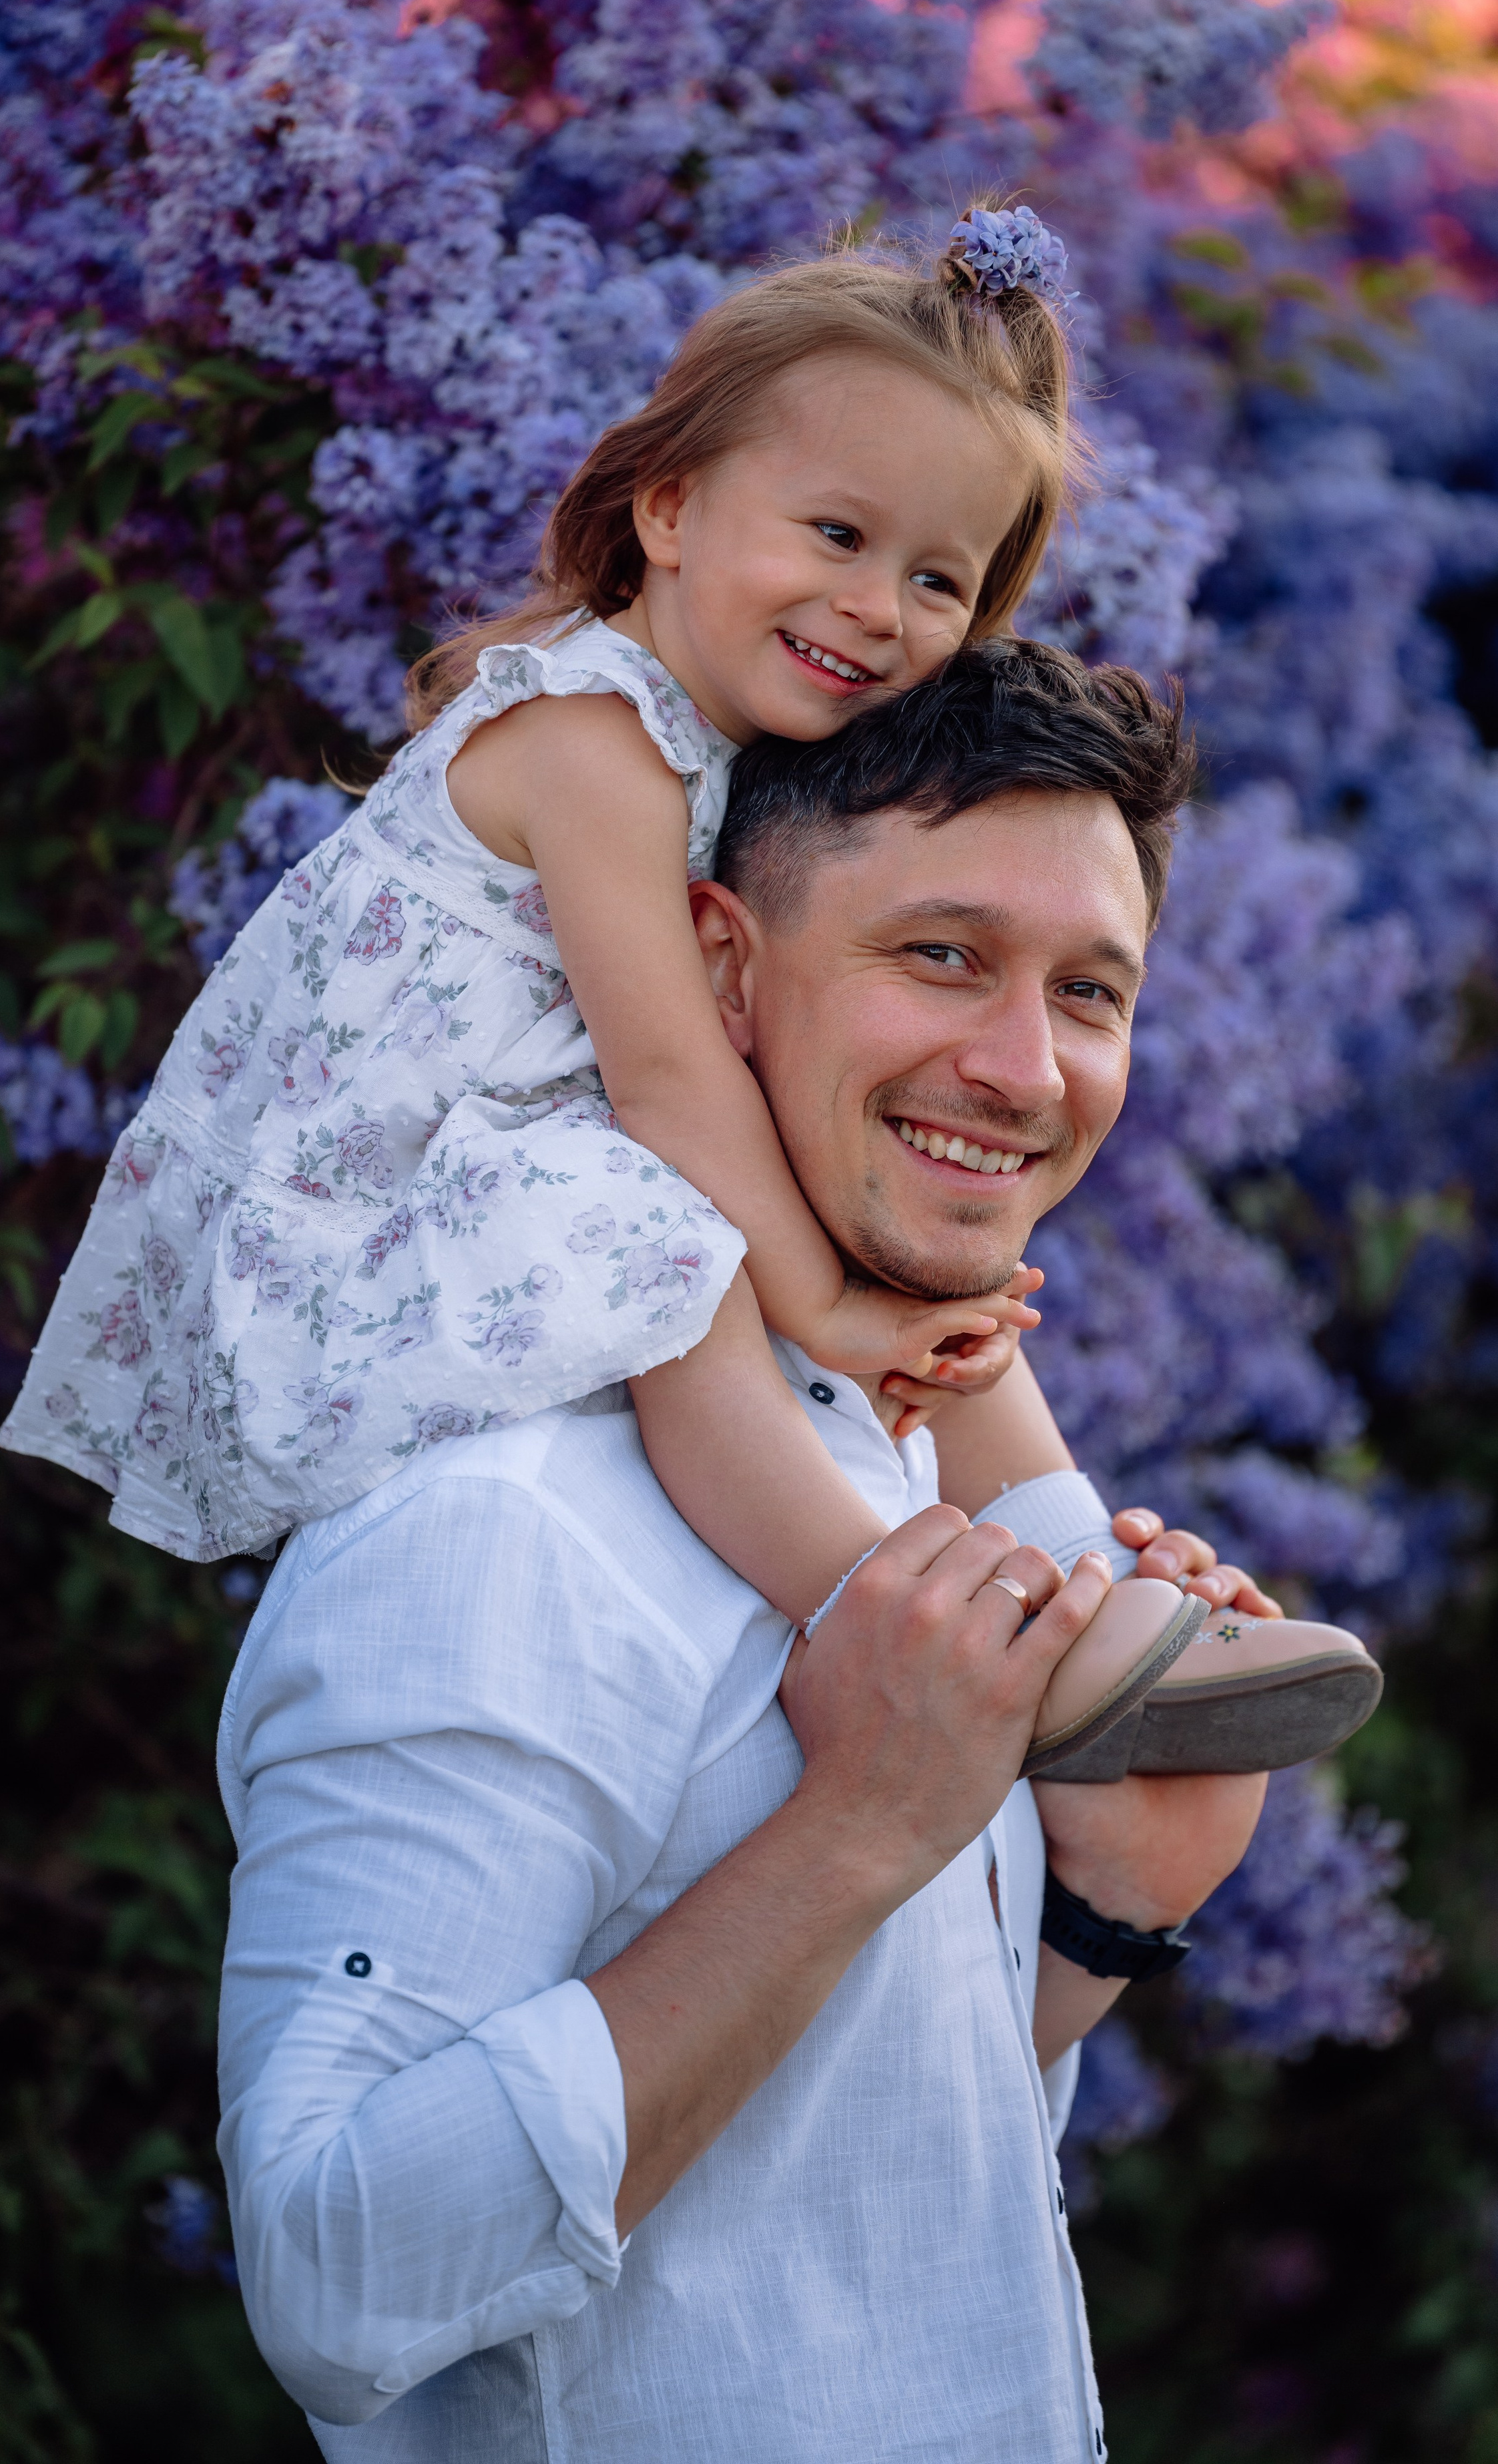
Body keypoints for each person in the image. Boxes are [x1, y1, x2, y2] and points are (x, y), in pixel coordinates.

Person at [213, 639, 1314, 2461]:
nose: (1028, 1067)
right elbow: (335, 2279)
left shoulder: (889, 1483)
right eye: (942, 956)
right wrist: (862, 1826)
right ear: (718, 963)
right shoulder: (500, 1539)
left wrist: (1113, 1911)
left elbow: (839, 2193)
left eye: (1093, 991)